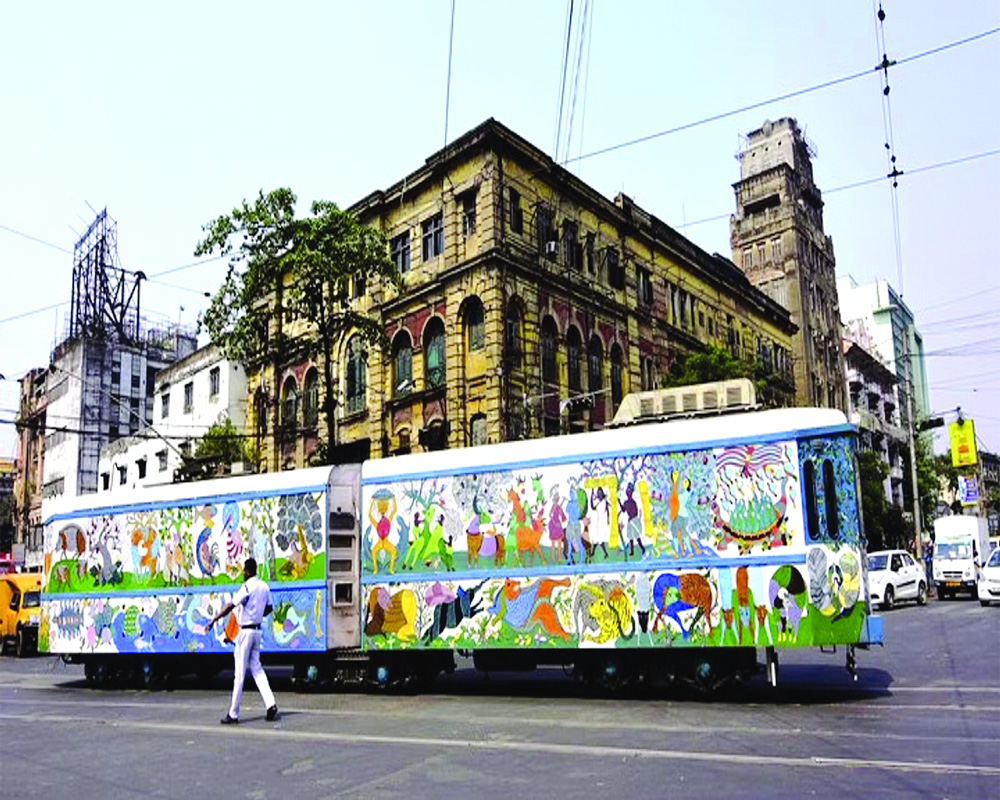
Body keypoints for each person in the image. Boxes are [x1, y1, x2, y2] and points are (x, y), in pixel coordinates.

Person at [206, 557, 278, 724]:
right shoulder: (264, 586)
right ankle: (271, 704)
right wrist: (257, 615)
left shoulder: (247, 587)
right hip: (257, 631)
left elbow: (231, 605)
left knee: (239, 674)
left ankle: (233, 713)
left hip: (245, 632)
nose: (243, 573)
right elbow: (269, 607)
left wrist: (214, 620)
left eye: (244, 570)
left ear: (248, 571)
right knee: (257, 670)